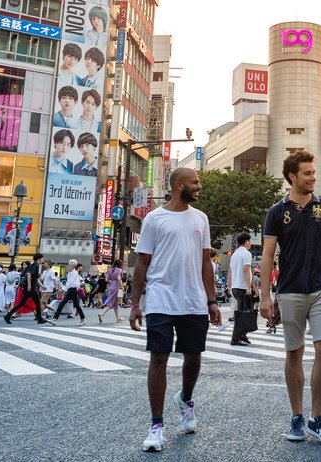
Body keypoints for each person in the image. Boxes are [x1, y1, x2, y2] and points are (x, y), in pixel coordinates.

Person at [258, 150, 321, 446]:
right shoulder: (276, 212)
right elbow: (268, 255)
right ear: (292, 177)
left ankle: (317, 418)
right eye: (307, 173)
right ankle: (297, 414)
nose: (313, 177)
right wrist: (265, 296)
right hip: (290, 288)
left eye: (314, 172)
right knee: (294, 352)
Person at [128, 167, 221, 453]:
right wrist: (134, 304)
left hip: (193, 300)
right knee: (159, 359)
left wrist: (212, 300)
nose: (199, 186)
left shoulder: (200, 219)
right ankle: (156, 426)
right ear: (178, 185)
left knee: (193, 357)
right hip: (160, 299)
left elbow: (206, 263)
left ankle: (186, 398)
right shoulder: (154, 219)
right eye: (194, 182)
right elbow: (142, 263)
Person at [4, 253, 51, 325]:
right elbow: (29, 274)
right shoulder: (36, 265)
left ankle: (8, 316)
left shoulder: (35, 265)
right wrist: (29, 285)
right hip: (31, 288)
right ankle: (39, 319)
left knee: (21, 303)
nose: (43, 260)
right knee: (37, 303)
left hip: (30, 288)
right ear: (39, 258)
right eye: (42, 258)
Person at [228, 232, 254, 346]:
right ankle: (235, 338)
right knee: (241, 313)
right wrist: (249, 287)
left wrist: (229, 285)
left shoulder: (235, 254)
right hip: (242, 286)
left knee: (244, 311)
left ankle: (242, 334)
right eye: (250, 241)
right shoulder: (246, 254)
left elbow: (230, 271)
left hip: (235, 286)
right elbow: (246, 270)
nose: (251, 243)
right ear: (247, 241)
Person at [52, 259, 86, 326]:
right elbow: (68, 283)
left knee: (63, 304)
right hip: (71, 290)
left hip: (72, 290)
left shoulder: (74, 273)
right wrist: (63, 289)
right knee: (75, 305)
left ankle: (54, 319)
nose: (68, 266)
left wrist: (62, 290)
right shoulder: (70, 273)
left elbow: (70, 283)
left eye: (69, 264)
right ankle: (83, 319)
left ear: (73, 266)